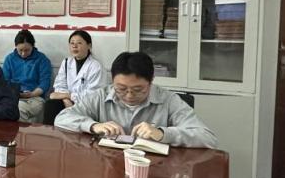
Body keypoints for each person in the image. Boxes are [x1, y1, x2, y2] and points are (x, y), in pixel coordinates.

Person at [55, 51, 219, 148]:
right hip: (108, 164)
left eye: (138, 90)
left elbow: (207, 138)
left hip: (154, 169)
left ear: (151, 80)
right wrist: (93, 126)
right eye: (121, 89)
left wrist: (162, 133)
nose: (129, 95)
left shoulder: (168, 100)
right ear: (112, 81)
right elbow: (62, 118)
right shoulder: (101, 95)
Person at [1, 30, 52, 124]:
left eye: (27, 50)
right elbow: (4, 81)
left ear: (33, 46)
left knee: (17, 109)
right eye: (20, 50)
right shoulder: (10, 59)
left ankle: (19, 132)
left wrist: (32, 94)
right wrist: (15, 93)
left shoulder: (42, 59)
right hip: (13, 96)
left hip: (35, 97)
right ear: (15, 46)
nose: (23, 53)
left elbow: (45, 83)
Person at [49, 30, 105, 108]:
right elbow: (59, 85)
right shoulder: (66, 62)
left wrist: (69, 96)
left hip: (87, 105)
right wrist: (66, 100)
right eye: (72, 43)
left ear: (89, 46)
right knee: (50, 104)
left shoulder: (96, 66)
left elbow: (93, 95)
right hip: (67, 102)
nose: (74, 46)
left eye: (79, 43)